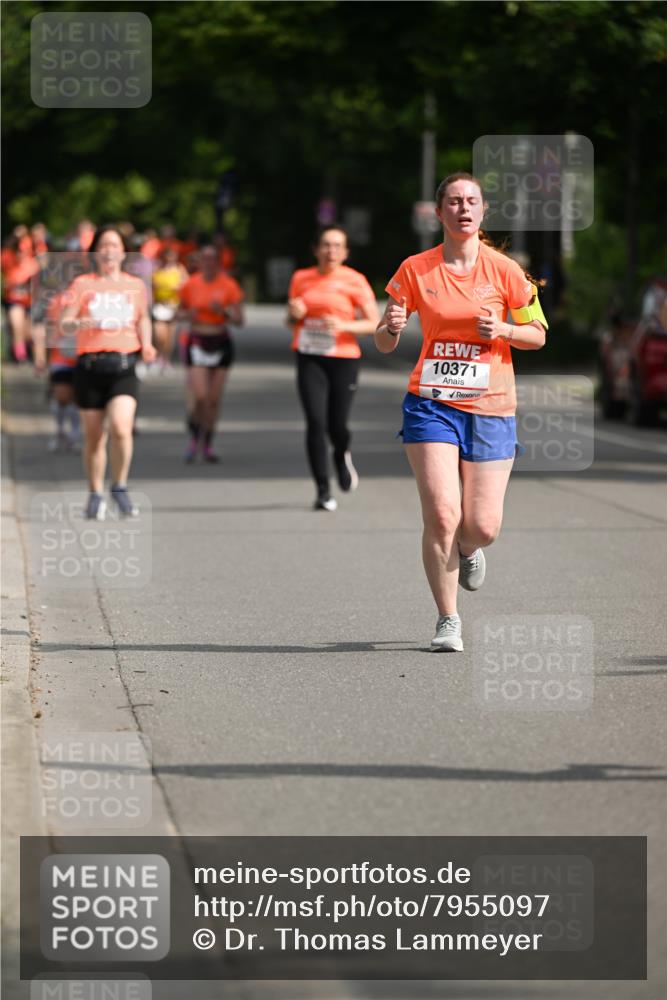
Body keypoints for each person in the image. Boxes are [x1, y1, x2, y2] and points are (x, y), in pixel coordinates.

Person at [375, 172, 548, 651]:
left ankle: (469, 549)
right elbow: (384, 342)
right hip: (431, 404)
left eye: (472, 201)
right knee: (442, 514)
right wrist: (391, 327)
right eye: (454, 201)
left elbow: (537, 335)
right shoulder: (416, 268)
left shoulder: (506, 271)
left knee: (482, 526)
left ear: (483, 210)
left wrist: (504, 330)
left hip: (491, 407)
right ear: (440, 212)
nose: (463, 208)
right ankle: (447, 619)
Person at [59, 225, 156, 519]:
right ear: (95, 252)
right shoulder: (82, 285)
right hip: (90, 366)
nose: (109, 251)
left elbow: (143, 318)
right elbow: (64, 322)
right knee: (94, 436)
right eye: (103, 245)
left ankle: (120, 486)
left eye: (114, 245)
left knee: (121, 428)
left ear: (124, 252)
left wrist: (147, 344)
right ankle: (95, 492)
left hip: (123, 366)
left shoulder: (135, 286)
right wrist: (80, 323)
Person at [286, 226, 379, 510]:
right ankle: (323, 490)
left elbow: (374, 323)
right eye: (326, 245)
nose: (331, 251)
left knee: (337, 424)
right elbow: (290, 322)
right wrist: (294, 315)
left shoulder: (355, 280)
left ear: (346, 252)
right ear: (316, 249)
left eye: (338, 246)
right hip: (310, 355)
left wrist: (343, 325)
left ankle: (341, 453)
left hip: (343, 357)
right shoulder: (301, 278)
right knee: (316, 422)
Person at [178, 244, 244, 462]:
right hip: (197, 340)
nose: (208, 263)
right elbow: (178, 312)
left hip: (220, 341)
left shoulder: (229, 285)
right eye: (204, 259)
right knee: (200, 396)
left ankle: (207, 443)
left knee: (213, 399)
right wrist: (188, 314)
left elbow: (239, 320)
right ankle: (195, 433)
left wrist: (223, 312)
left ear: (218, 262)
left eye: (212, 259)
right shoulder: (190, 284)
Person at [151, 245, 188, 369]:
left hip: (173, 305)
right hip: (160, 304)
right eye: (168, 255)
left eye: (172, 255)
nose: (170, 258)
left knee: (169, 336)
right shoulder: (157, 269)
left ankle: (165, 359)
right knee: (159, 334)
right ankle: (158, 356)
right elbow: (151, 284)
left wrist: (179, 287)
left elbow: (187, 284)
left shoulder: (179, 269)